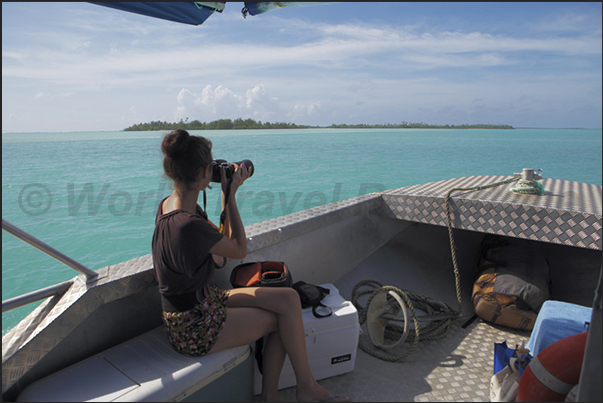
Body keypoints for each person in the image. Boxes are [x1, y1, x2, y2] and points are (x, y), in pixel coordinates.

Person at [152, 129, 349, 403]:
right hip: (191, 325)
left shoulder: (170, 206)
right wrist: (230, 196)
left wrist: (224, 195)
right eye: (211, 167)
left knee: (289, 297)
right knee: (283, 321)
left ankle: (306, 386)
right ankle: (284, 395)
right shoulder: (189, 225)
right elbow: (239, 250)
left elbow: (223, 249)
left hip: (202, 302)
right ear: (202, 176)